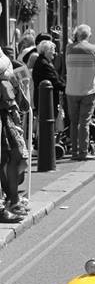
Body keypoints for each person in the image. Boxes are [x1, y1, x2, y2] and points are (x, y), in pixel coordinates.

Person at [65, 24, 95, 162]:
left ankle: (74, 152)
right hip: (88, 91)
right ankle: (83, 152)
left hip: (71, 90)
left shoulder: (69, 49)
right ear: (88, 35)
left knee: (74, 123)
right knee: (84, 123)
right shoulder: (94, 49)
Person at [0, 50, 29, 221]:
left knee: (17, 155)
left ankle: (12, 199)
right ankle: (9, 201)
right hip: (4, 111)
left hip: (5, 112)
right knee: (4, 158)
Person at [32, 39, 65, 117]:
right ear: (47, 51)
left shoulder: (42, 61)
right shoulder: (44, 64)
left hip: (44, 100)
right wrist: (67, 88)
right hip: (46, 101)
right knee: (48, 124)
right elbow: (54, 81)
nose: (54, 53)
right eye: (53, 50)